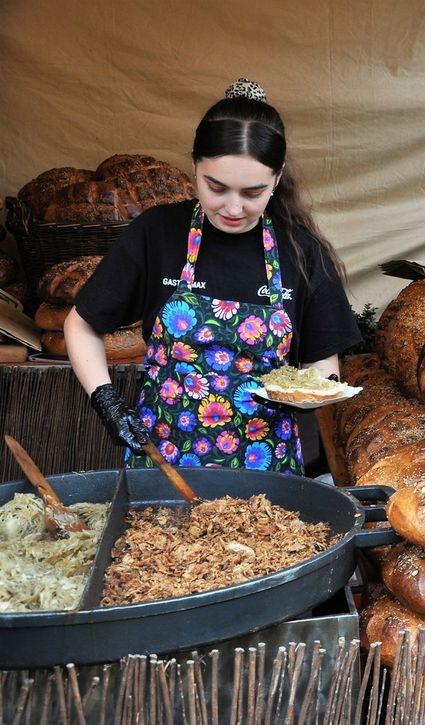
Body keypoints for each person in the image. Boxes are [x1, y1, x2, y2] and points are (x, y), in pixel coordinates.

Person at [65, 78, 361, 474]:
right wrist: (107, 401)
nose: (233, 208)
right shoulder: (157, 233)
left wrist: (306, 392)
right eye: (216, 187)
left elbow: (324, 365)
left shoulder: (302, 252)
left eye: (252, 192)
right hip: (163, 461)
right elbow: (81, 324)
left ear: (277, 178)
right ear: (194, 166)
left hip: (265, 468)